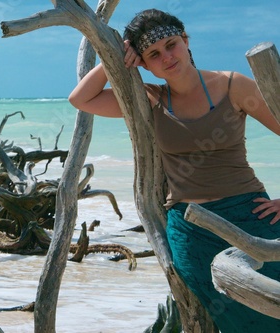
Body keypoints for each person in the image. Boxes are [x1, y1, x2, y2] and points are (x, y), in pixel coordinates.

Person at [68, 8, 280, 333]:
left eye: (171, 44)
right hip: (192, 228)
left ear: (185, 40)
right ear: (143, 63)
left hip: (251, 214)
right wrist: (116, 59)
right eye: (153, 54)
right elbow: (81, 99)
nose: (166, 56)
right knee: (233, 322)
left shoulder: (233, 85)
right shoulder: (150, 98)